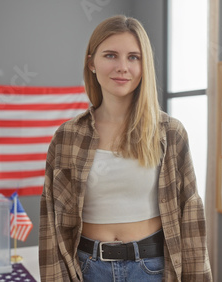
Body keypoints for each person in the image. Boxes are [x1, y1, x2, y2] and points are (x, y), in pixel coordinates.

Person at [39, 15, 212, 281]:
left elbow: (190, 216)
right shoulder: (67, 137)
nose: (123, 67)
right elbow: (51, 223)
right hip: (86, 268)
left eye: (134, 57)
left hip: (152, 268)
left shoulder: (169, 132)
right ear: (92, 63)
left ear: (144, 66)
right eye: (111, 55)